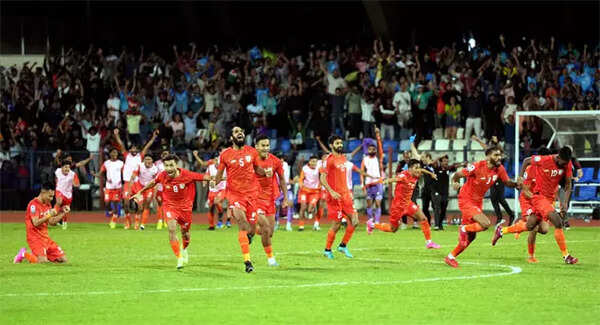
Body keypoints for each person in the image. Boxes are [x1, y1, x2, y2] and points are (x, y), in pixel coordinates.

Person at [491, 146, 578, 264]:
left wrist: (565, 202)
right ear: (558, 157)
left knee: (535, 226)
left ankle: (502, 231)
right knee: (557, 222)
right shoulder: (541, 162)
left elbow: (568, 185)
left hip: (547, 199)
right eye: (563, 162)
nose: (565, 165)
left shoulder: (566, 164)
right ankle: (565, 256)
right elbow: (526, 164)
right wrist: (520, 178)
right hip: (535, 197)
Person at [444, 146, 521, 268]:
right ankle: (463, 228)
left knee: (470, 238)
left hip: (477, 201)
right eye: (496, 155)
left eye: (500, 155)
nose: (499, 157)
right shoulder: (477, 166)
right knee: (485, 223)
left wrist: (517, 184)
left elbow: (507, 182)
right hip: (466, 199)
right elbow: (457, 174)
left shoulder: (499, 169)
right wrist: (454, 182)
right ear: (488, 156)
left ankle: (450, 257)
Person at [131, 154, 206, 270]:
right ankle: (179, 258)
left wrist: (221, 178)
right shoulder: (162, 175)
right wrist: (140, 191)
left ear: (176, 165)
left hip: (185, 208)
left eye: (171, 165)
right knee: (171, 229)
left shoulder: (187, 175)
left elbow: (205, 177)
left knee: (185, 234)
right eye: (166, 165)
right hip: (170, 206)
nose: (169, 168)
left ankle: (184, 249)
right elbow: (153, 182)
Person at [213, 126, 270, 273]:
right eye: (236, 131)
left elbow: (258, 169)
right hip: (235, 195)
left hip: (252, 195)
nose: (240, 133)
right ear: (231, 137)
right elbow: (219, 174)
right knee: (242, 224)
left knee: (251, 229)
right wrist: (214, 182)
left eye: (242, 131)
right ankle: (247, 262)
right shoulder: (225, 154)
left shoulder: (252, 151)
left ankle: (249, 236)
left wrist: (265, 172)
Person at [320, 135, 374, 259]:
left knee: (355, 221)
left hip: (346, 196)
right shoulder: (328, 160)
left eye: (340, 143)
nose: (340, 145)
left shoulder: (344, 158)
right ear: (331, 145)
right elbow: (322, 178)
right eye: (337, 143)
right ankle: (327, 250)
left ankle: (343, 246)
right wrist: (331, 191)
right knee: (337, 225)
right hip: (335, 197)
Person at [366, 159, 441, 249]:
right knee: (393, 229)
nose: (418, 170)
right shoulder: (403, 176)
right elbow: (395, 179)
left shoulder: (416, 174)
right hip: (397, 207)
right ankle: (372, 225)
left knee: (423, 218)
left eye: (418, 167)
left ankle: (429, 242)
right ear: (409, 169)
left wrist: (431, 174)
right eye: (415, 168)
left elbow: (422, 170)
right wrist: (385, 181)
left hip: (408, 204)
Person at [13, 182, 70, 264]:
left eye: (52, 196)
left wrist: (62, 213)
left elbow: (51, 222)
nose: (51, 199)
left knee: (63, 260)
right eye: (50, 196)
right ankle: (24, 254)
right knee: (43, 262)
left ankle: (37, 255)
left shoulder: (47, 205)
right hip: (35, 238)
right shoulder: (33, 205)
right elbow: (35, 223)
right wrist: (49, 214)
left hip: (45, 238)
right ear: (43, 192)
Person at [254, 135, 289, 266]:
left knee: (269, 233)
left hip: (270, 200)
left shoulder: (275, 161)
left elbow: (282, 179)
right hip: (255, 198)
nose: (265, 148)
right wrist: (262, 172)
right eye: (263, 145)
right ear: (256, 147)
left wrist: (285, 197)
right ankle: (270, 258)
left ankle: (252, 231)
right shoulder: (251, 160)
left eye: (267, 145)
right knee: (266, 228)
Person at [113, 128, 158, 229]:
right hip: (127, 182)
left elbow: (147, 146)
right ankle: (128, 220)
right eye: (132, 148)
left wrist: (153, 137)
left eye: (135, 149)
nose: (134, 150)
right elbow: (121, 145)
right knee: (125, 202)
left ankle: (137, 221)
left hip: (137, 183)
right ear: (130, 150)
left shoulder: (141, 156)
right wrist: (116, 136)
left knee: (139, 205)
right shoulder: (126, 155)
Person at [95, 148, 124, 229]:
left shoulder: (120, 163)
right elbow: (101, 172)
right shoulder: (106, 163)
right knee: (107, 202)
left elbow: (124, 173)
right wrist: (97, 174)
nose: (114, 154)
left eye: (116, 153)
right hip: (109, 186)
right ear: (110, 154)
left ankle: (113, 221)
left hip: (117, 187)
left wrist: (123, 182)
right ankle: (112, 212)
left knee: (115, 203)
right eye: (113, 153)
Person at [361, 128, 384, 225]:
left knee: (378, 203)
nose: (372, 150)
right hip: (368, 184)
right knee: (369, 204)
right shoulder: (364, 159)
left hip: (378, 183)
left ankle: (377, 221)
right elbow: (362, 172)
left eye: (373, 149)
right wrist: (362, 185)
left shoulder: (379, 158)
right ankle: (370, 220)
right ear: (367, 150)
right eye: (370, 149)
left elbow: (380, 147)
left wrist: (378, 136)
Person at [131, 154, 159, 230]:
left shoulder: (155, 169)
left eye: (149, 159)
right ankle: (137, 222)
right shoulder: (140, 166)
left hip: (149, 188)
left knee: (147, 204)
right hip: (139, 187)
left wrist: (155, 193)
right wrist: (130, 186)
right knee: (140, 207)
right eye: (146, 159)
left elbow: (156, 181)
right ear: (143, 160)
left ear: (152, 161)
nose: (147, 161)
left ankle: (142, 225)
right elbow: (133, 175)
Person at [200, 152, 227, 230]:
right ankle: (211, 225)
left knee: (217, 201)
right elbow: (206, 175)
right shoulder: (210, 167)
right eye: (215, 160)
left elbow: (227, 178)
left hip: (222, 189)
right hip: (212, 190)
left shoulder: (224, 168)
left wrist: (217, 179)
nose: (217, 162)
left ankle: (220, 219)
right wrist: (204, 181)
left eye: (218, 160)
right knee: (211, 207)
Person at [54, 159, 82, 230]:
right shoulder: (57, 171)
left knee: (65, 209)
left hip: (68, 194)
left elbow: (77, 184)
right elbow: (54, 178)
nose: (67, 169)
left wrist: (75, 184)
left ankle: (64, 222)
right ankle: (52, 216)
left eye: (68, 167)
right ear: (62, 167)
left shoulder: (73, 174)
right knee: (59, 202)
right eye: (65, 167)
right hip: (59, 191)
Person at [298, 156, 322, 231]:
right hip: (304, 191)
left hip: (315, 191)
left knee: (310, 209)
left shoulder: (319, 168)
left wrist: (321, 185)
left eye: (315, 161)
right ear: (309, 162)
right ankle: (301, 225)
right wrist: (300, 183)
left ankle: (313, 217)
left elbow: (323, 176)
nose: (314, 163)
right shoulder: (305, 168)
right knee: (303, 207)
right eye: (313, 161)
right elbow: (301, 178)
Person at [153, 150, 170, 230]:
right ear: (161, 155)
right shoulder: (157, 164)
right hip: (160, 187)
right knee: (160, 204)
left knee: (167, 205)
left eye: (166, 154)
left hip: (168, 188)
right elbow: (155, 176)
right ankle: (159, 221)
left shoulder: (172, 164)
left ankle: (166, 221)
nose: (165, 155)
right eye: (163, 154)